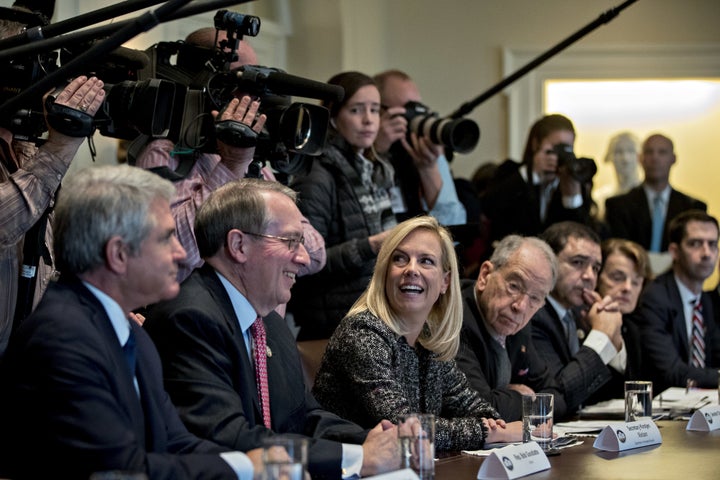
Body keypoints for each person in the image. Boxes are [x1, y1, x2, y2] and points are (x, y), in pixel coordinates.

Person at [0, 165, 262, 479]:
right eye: (167, 238)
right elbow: (123, 470)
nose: (181, 253)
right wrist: (249, 468)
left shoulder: (129, 331)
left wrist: (262, 465)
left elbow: (175, 441)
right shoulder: (62, 336)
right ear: (119, 254)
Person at [143, 178, 399, 479]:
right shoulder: (190, 318)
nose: (303, 258)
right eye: (290, 241)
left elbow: (304, 417)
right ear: (239, 245)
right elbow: (226, 436)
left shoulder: (270, 323)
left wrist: (373, 439)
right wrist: (359, 457)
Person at [312, 216, 522, 451]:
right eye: (400, 259)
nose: (411, 269)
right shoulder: (362, 333)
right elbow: (407, 428)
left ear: (445, 282)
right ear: (384, 273)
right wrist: (488, 432)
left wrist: (491, 425)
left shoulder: (429, 338)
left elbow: (477, 408)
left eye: (426, 261)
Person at [135, 27, 326, 284]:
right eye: (242, 83)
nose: (252, 99)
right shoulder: (163, 154)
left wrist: (255, 247)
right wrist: (232, 166)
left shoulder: (254, 160)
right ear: (200, 83)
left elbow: (314, 254)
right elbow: (174, 255)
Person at [289, 71, 397, 340]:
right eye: (356, 110)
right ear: (334, 117)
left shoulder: (374, 170)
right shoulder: (317, 173)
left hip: (371, 317)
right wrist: (369, 246)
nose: (368, 120)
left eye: (374, 109)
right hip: (331, 327)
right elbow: (304, 261)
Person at [456, 235, 569, 421]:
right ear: (485, 275)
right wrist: (524, 398)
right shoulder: (456, 320)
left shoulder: (518, 328)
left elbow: (557, 398)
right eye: (514, 286)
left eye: (535, 298)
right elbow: (480, 408)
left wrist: (504, 399)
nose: (521, 306)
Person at [531, 221, 626, 413]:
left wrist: (613, 336)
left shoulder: (580, 314)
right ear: (547, 262)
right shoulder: (534, 314)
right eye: (578, 263)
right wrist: (601, 336)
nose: (589, 276)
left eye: (596, 268)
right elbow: (557, 396)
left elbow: (614, 393)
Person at [634, 210, 720, 392]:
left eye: (712, 244)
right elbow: (672, 371)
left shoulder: (706, 300)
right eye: (695, 244)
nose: (706, 253)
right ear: (674, 251)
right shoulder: (655, 297)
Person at [481, 114, 594, 247]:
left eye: (567, 148)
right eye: (557, 148)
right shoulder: (510, 172)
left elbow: (581, 236)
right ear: (536, 144)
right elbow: (489, 207)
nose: (561, 154)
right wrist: (532, 173)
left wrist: (571, 197)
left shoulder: (576, 182)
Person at [373, 69, 466, 225]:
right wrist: (377, 150)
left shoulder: (426, 152)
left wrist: (429, 168)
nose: (414, 116)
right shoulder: (365, 150)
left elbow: (453, 226)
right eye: (407, 109)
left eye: (418, 107)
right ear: (379, 111)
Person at [605, 133, 707, 252]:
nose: (655, 158)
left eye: (662, 152)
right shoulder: (618, 206)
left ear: (673, 158)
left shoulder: (693, 208)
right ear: (640, 158)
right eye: (649, 152)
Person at [596, 238, 653, 382]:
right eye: (617, 278)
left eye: (636, 282)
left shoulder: (635, 328)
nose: (628, 288)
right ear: (596, 277)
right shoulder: (580, 324)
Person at [592, 131, 642, 219]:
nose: (625, 158)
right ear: (610, 157)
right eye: (618, 152)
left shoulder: (651, 197)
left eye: (631, 151)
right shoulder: (600, 198)